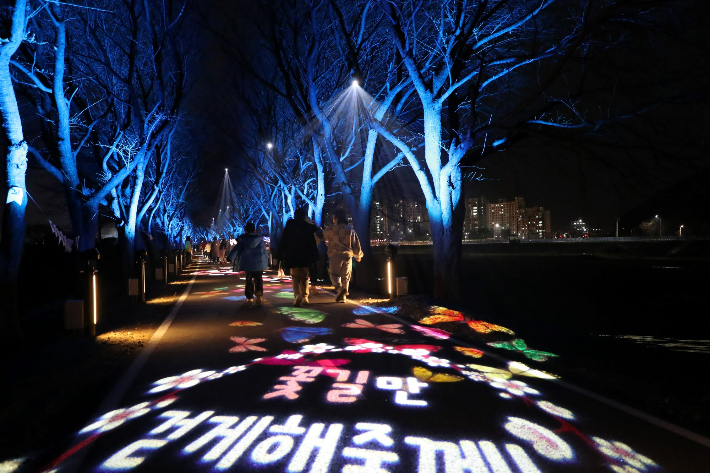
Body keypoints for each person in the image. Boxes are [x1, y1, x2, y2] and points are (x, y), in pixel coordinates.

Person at [277, 207, 320, 307]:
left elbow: (283, 242)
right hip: (306, 256)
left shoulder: (289, 227)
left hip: (292, 255)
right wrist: (315, 257)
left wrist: (280, 255)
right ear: (304, 216)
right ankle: (305, 297)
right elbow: (312, 244)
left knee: (295, 277)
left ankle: (297, 295)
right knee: (304, 277)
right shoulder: (308, 228)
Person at [322, 209, 363, 303]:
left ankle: (340, 290)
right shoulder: (350, 229)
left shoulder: (331, 229)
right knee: (346, 277)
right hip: (348, 255)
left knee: (334, 275)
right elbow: (356, 243)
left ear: (336, 218)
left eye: (333, 217)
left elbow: (322, 236)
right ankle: (343, 297)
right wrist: (358, 255)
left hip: (335, 254)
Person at [235, 223, 268, 304]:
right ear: (255, 230)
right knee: (259, 279)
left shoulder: (243, 240)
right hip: (259, 263)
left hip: (248, 263)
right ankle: (259, 293)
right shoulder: (260, 240)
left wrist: (231, 258)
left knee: (249, 280)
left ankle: (249, 296)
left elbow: (236, 250)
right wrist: (265, 261)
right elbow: (264, 252)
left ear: (246, 230)